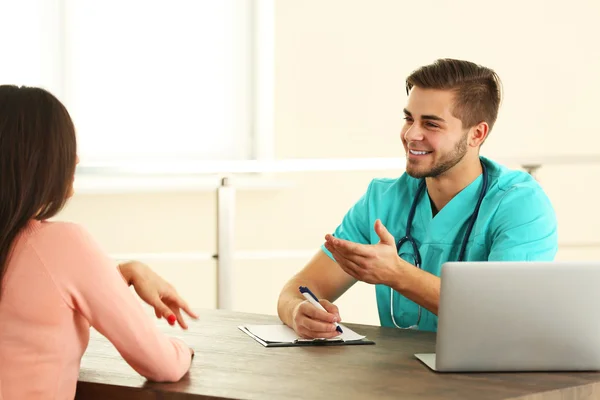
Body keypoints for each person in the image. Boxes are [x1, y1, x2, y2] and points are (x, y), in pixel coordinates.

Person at [277, 58, 558, 338]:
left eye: (431, 124)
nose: (411, 134)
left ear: (477, 134)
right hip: (399, 377)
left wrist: (397, 274)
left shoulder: (520, 204)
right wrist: (297, 312)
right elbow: (300, 287)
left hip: (488, 378)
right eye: (409, 119)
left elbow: (505, 316)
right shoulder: (382, 200)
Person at [0, 85, 197, 399]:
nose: (76, 159)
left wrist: (124, 274)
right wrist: (183, 350)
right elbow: (163, 364)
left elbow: (38, 314)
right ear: (36, 160)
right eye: (65, 148)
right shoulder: (62, 244)